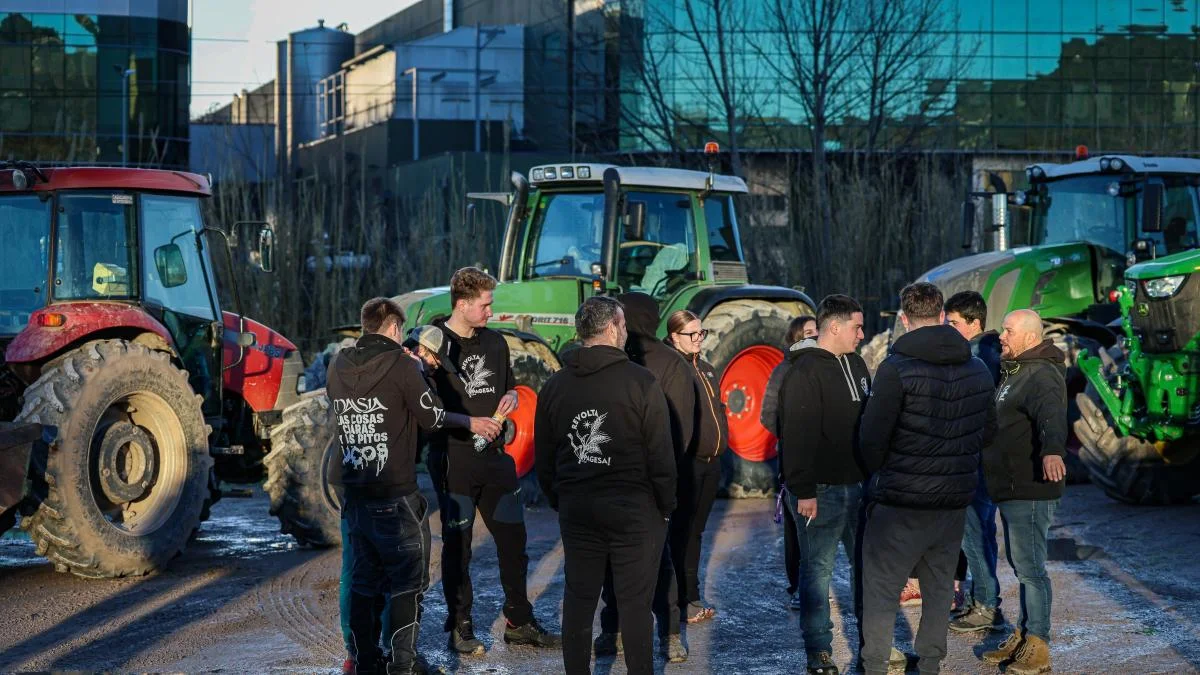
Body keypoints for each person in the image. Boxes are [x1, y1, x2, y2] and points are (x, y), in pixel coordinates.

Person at [328, 300, 496, 675]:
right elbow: (432, 418)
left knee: (363, 580)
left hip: (354, 490)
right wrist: (418, 376)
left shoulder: (338, 363)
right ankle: (402, 665)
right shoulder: (404, 365)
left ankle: (365, 661)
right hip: (394, 491)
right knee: (407, 581)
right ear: (392, 328)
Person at [856, 283, 997, 675]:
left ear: (904, 319)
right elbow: (988, 432)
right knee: (939, 589)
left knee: (882, 591)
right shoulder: (978, 368)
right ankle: (931, 664)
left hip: (899, 502)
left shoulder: (895, 369)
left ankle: (874, 665)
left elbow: (871, 439)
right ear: (940, 316)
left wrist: (881, 474)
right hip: (953, 500)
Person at [534, 296, 677, 675]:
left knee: (579, 599)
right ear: (612, 328)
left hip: (578, 506)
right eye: (624, 324)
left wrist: (561, 499)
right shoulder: (641, 382)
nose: (626, 331)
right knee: (634, 605)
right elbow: (661, 455)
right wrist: (665, 504)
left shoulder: (554, 386)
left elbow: (544, 459)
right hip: (634, 509)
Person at [427, 267, 560, 654]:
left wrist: (513, 398)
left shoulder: (496, 343)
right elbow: (426, 410)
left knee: (514, 542)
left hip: (496, 460)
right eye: (485, 305)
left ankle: (519, 620)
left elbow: (508, 388)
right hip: (455, 460)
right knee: (459, 546)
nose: (490, 311)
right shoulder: (435, 347)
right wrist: (469, 424)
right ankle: (461, 625)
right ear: (463, 304)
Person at [594, 292, 694, 662]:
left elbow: (678, 431)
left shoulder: (663, 363)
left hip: (640, 479)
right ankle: (627, 629)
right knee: (644, 559)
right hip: (640, 479)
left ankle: (655, 631)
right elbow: (682, 430)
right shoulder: (635, 361)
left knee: (650, 559)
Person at [779, 294, 871, 675]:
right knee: (816, 573)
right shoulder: (804, 372)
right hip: (820, 492)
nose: (862, 335)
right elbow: (795, 435)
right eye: (857, 326)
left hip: (860, 488)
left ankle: (874, 646)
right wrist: (803, 491)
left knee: (867, 569)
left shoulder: (859, 364)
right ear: (834, 327)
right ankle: (819, 653)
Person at [980, 309, 1067, 675]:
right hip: (1010, 486)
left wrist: (1052, 451)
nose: (1002, 336)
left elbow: (1052, 415)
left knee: (1031, 569)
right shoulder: (1016, 371)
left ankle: (1039, 646)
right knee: (1021, 564)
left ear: (1030, 338)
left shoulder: (1041, 373)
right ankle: (1024, 634)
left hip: (1030, 488)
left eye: (1009, 331)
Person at [943, 291, 1006, 634]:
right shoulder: (994, 352)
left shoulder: (977, 356)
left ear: (974, 323)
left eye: (953, 323)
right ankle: (984, 599)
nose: (948, 329)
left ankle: (985, 606)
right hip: (988, 459)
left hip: (974, 460)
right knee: (982, 532)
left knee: (973, 534)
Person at [665, 309, 728, 624]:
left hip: (711, 464)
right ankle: (682, 600)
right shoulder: (675, 370)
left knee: (697, 533)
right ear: (674, 336)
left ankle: (691, 594)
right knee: (682, 533)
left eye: (701, 333)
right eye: (692, 335)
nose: (698, 340)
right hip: (687, 465)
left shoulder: (706, 368)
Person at [760, 315, 818, 610]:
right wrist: (794, 433)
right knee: (796, 532)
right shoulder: (783, 370)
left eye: (816, 332)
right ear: (796, 337)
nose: (813, 337)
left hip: (824, 463)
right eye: (808, 333)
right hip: (794, 461)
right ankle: (797, 586)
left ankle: (816, 585)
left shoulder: (827, 365)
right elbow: (767, 414)